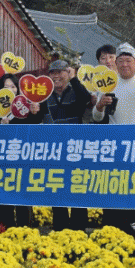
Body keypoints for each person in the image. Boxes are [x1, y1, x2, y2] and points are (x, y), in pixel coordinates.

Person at [93, 42, 135, 237]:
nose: (124, 65)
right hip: (115, 143)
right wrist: (99, 105)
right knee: (117, 184)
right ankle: (115, 226)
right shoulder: (108, 83)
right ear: (116, 63)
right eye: (121, 61)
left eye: (128, 61)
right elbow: (97, 117)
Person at [42, 59, 93, 231]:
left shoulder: (75, 90)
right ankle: (60, 228)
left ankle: (79, 228)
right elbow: (38, 117)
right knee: (56, 186)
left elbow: (86, 99)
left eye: (60, 72)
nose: (56, 76)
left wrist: (74, 79)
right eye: (52, 73)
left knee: (77, 186)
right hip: (53, 149)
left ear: (68, 73)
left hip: (75, 147)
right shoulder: (44, 94)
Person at [0, 73, 42, 229]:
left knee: (22, 195)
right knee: (2, 195)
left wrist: (35, 113)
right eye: (5, 87)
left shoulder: (26, 106)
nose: (10, 90)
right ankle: (3, 228)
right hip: (2, 159)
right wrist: (0, 126)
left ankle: (25, 229)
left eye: (13, 87)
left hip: (22, 158)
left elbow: (34, 126)